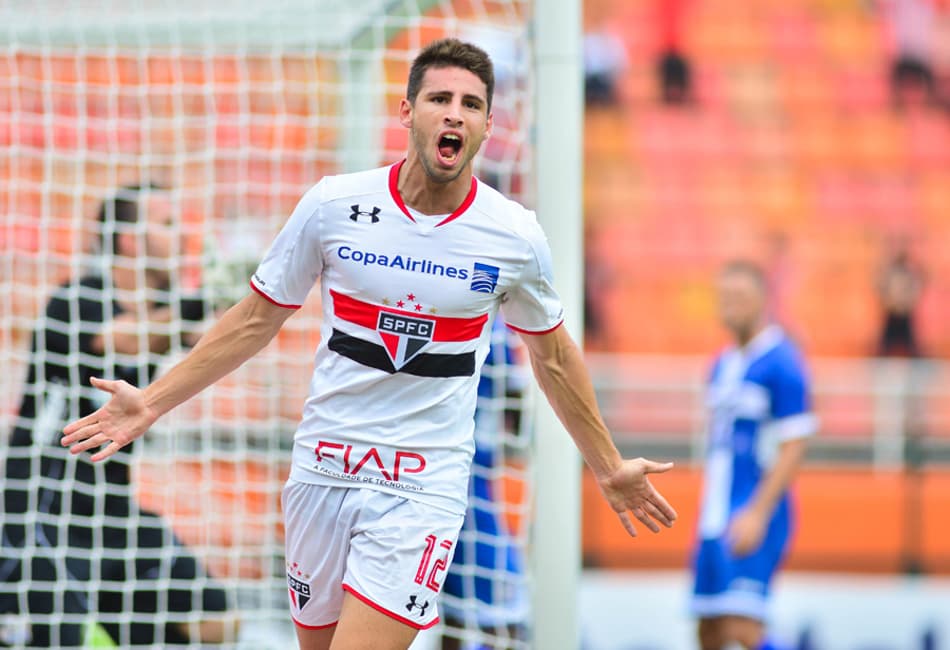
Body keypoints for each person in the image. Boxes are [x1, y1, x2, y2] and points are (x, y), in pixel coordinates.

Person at [61, 39, 678, 650]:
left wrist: (608, 464)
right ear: (408, 111)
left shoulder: (512, 235)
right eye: (439, 98)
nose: (454, 113)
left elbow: (555, 356)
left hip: (422, 484)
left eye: (470, 103)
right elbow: (254, 320)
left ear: (489, 125)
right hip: (323, 470)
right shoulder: (334, 205)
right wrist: (154, 401)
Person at [0, 185, 237, 647]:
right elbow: (126, 338)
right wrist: (205, 294)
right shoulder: (76, 300)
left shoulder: (160, 309)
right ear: (130, 240)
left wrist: (245, 294)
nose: (183, 237)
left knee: (216, 622)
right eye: (167, 224)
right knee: (54, 639)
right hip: (42, 508)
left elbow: (211, 340)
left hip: (112, 512)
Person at [691, 261, 816, 650]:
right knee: (708, 629)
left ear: (763, 300)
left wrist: (758, 513)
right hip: (714, 513)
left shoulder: (782, 361)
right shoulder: (720, 365)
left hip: (752, 510)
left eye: (740, 297)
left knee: (742, 627)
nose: (731, 306)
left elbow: (794, 444)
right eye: (725, 298)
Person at [439, 318, 529, 650]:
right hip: (459, 466)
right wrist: (516, 434)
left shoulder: (492, 324)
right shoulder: (491, 324)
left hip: (460, 464)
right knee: (463, 610)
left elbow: (515, 389)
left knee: (474, 607)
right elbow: (515, 394)